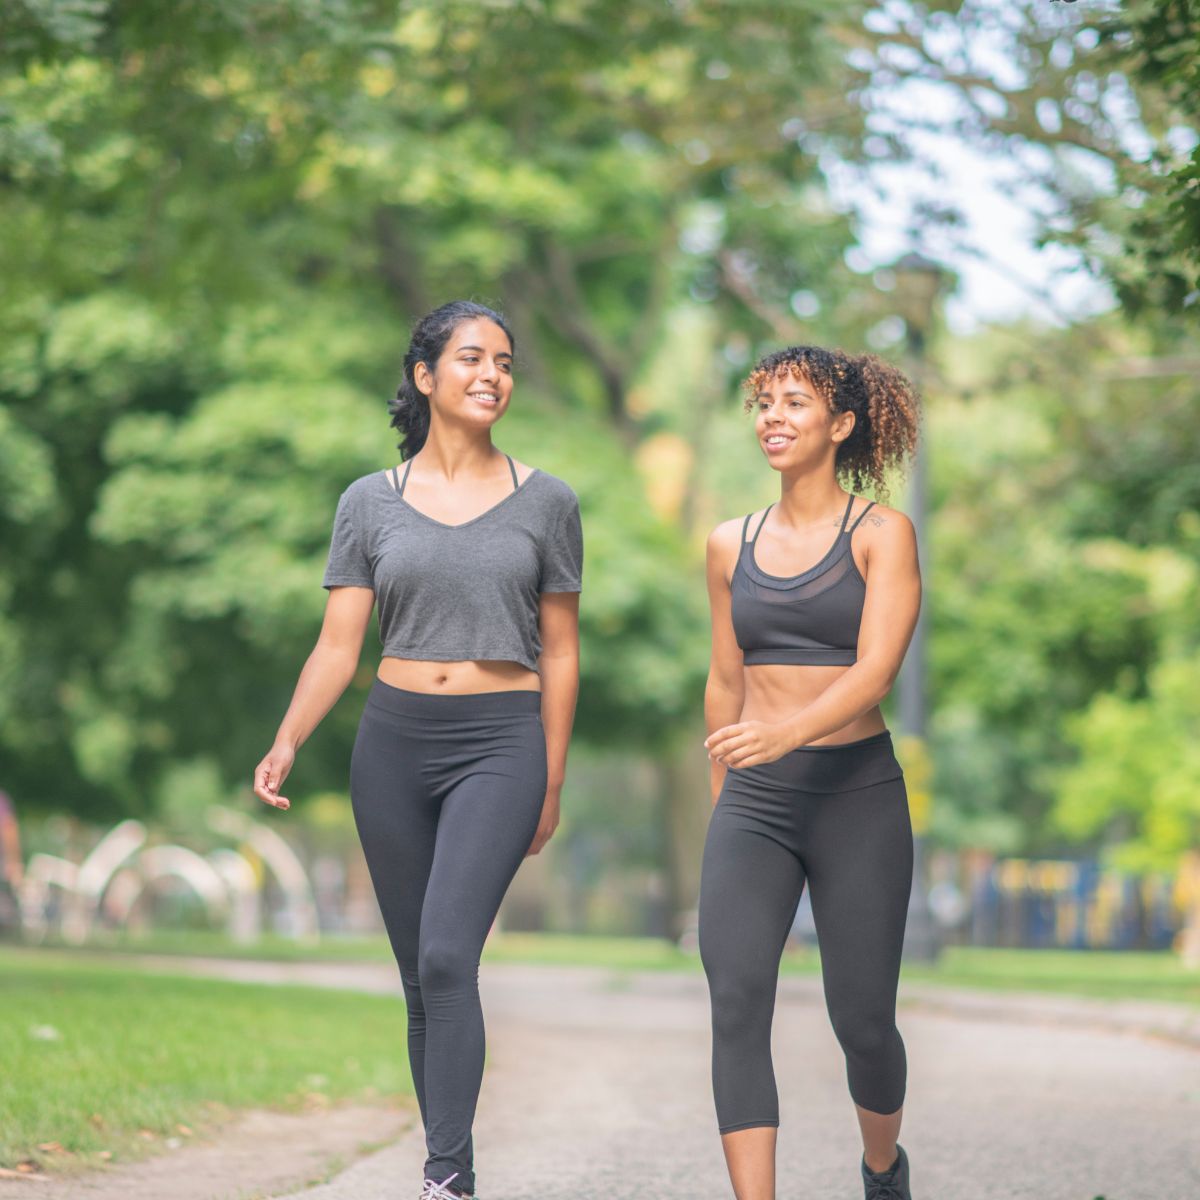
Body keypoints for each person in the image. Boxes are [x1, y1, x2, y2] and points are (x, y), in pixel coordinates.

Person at [252, 300, 583, 1200]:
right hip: (393, 742)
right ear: (425, 376)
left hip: (500, 741)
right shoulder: (369, 502)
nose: (492, 375)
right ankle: (458, 1166)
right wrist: (288, 738)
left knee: (447, 957)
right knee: (417, 979)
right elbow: (336, 644)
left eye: (506, 362)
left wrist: (551, 777)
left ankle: (440, 1177)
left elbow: (560, 650)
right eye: (472, 358)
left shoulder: (548, 501)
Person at [698, 345, 922, 1200]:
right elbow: (725, 680)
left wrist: (783, 733)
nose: (774, 418)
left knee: (862, 1021)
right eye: (763, 403)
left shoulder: (881, 534)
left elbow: (875, 674)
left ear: (842, 424)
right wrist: (728, 792)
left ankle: (881, 1168)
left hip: (856, 798)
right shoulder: (728, 544)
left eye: (796, 403)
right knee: (737, 1001)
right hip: (756, 802)